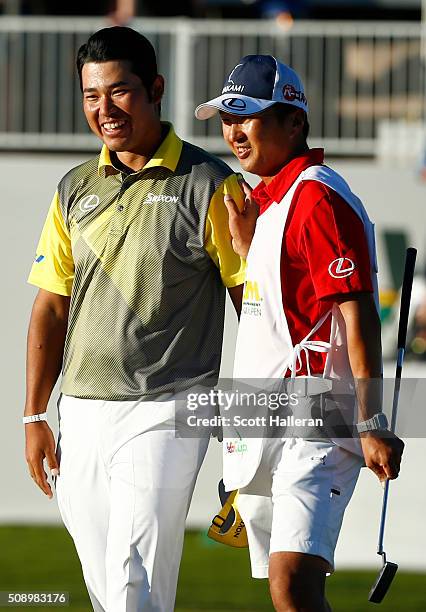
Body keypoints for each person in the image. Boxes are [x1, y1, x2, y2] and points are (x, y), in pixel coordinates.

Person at [24, 26, 245, 612]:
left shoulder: (211, 184)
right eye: (92, 96)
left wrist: (249, 412)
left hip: (170, 407)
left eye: (119, 92)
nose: (105, 110)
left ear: (155, 89)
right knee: (108, 589)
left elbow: (251, 302)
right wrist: (33, 415)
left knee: (131, 580)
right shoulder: (73, 188)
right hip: (82, 410)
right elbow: (49, 306)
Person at [196, 55, 404, 611]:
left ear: (294, 122)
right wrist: (245, 250)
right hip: (265, 418)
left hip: (318, 415)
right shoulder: (266, 202)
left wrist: (371, 421)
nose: (234, 131)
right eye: (227, 118)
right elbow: (271, 318)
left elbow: (356, 315)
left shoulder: (317, 196)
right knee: (284, 590)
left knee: (293, 585)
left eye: (249, 116)